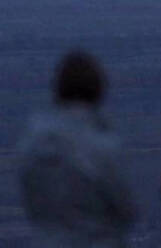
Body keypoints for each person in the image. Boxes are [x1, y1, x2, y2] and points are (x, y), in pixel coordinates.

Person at [19, 51, 134, 248]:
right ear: (98, 90)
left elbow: (30, 200)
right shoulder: (102, 147)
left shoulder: (31, 145)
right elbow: (125, 208)